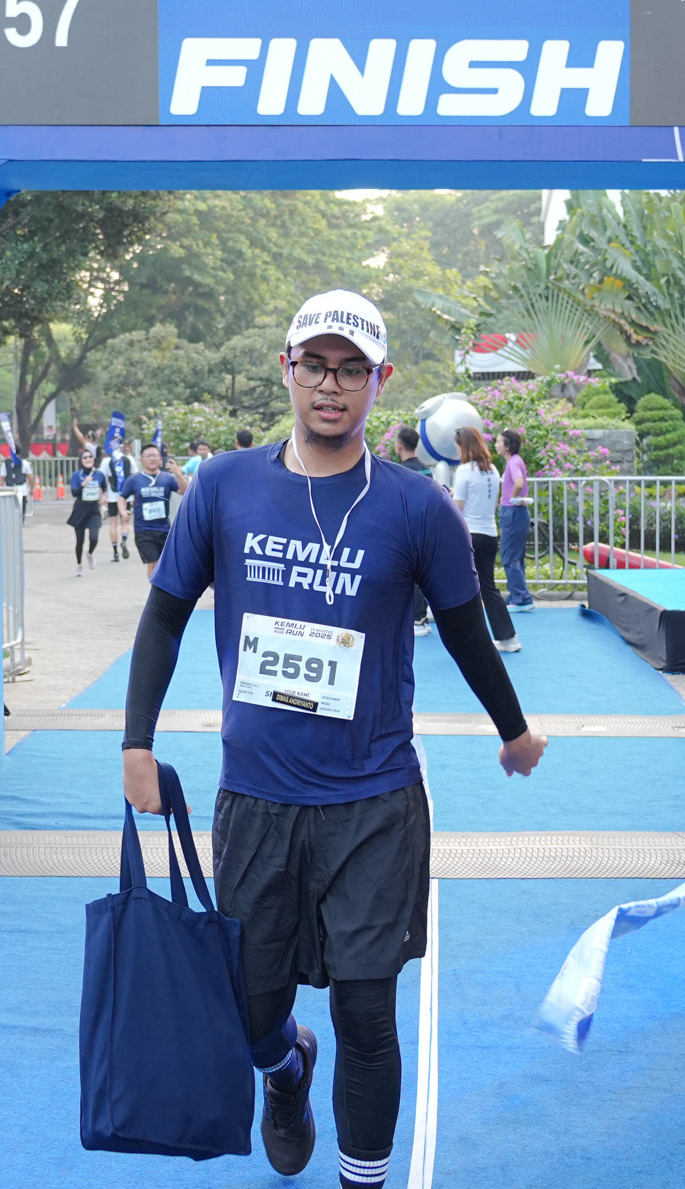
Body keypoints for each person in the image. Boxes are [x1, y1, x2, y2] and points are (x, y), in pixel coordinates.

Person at [121, 289, 548, 1189]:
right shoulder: (224, 486)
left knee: (367, 1017)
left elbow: (467, 631)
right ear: (286, 369)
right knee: (250, 1013)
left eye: (352, 370)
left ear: (380, 381)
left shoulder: (416, 508)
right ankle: (286, 1070)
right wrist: (136, 742)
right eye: (314, 365)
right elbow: (163, 617)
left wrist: (513, 731)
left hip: (374, 801)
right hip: (257, 799)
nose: (330, 385)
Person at [452, 426, 520, 653]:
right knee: (488, 587)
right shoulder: (492, 470)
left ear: (463, 446)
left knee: (463, 588)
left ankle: (469, 638)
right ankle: (507, 636)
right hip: (489, 533)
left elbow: (459, 506)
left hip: (469, 535)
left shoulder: (464, 471)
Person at [121, 442, 184, 580]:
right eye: (148, 456)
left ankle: (163, 590)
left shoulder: (167, 478)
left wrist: (178, 474)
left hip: (164, 529)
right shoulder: (134, 480)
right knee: (153, 563)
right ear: (141, 460)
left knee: (165, 564)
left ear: (160, 458)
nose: (152, 459)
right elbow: (122, 497)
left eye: (155, 455)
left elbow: (184, 491)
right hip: (143, 530)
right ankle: (155, 592)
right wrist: (122, 511)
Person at [394, 426, 434, 637]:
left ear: (399, 446)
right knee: (422, 573)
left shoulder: (399, 472)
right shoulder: (426, 470)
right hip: (425, 527)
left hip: (406, 530)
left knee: (409, 575)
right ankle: (421, 616)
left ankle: (417, 618)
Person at [497, 429, 535, 612]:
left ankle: (520, 597)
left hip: (512, 512)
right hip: (517, 512)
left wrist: (512, 497)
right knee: (516, 557)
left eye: (499, 442)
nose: (496, 445)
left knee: (509, 557)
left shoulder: (513, 462)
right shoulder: (516, 461)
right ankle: (517, 594)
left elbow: (519, 483)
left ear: (507, 447)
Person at [66, 447, 105, 576]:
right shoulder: (77, 475)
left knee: (94, 537)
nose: (88, 459)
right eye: (85, 457)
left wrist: (104, 496)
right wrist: (84, 483)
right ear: (81, 460)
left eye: (90, 457)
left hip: (94, 509)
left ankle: (90, 553)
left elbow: (104, 487)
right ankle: (79, 565)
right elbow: (74, 493)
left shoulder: (99, 474)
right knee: (80, 541)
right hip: (80, 510)